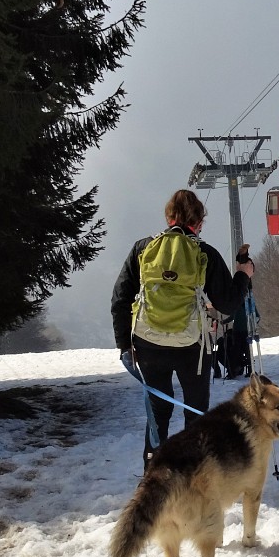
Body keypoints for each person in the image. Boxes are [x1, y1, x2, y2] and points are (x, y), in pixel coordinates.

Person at [110, 189, 254, 467]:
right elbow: (228, 303)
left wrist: (124, 345)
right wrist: (243, 275)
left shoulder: (143, 248)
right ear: (199, 223)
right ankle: (193, 476)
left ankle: (153, 473)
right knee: (196, 412)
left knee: (157, 409)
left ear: (169, 218)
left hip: (148, 343)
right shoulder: (205, 253)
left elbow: (120, 299)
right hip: (192, 348)